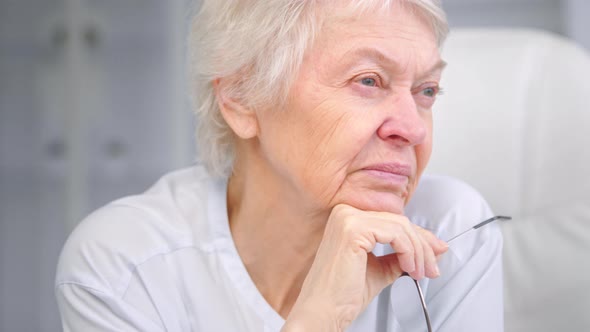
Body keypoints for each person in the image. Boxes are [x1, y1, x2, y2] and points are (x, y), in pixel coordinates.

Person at [55, 0, 504, 331]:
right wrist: (320, 318)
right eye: (368, 81)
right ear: (242, 99)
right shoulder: (127, 265)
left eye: (426, 91)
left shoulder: (452, 226)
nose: (414, 128)